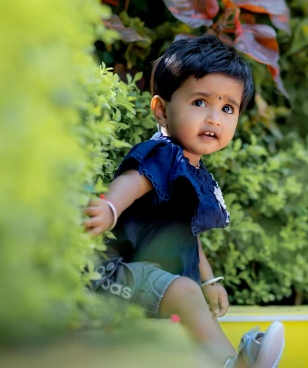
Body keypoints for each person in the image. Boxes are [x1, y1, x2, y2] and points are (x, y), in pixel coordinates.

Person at [83, 35, 285, 368]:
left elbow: (187, 231)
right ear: (162, 110)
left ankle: (233, 361)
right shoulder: (164, 154)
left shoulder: (194, 171)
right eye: (199, 102)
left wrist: (209, 280)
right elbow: (131, 183)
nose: (214, 118)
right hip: (113, 277)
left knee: (191, 295)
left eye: (227, 108)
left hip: (151, 279)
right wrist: (109, 207)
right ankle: (232, 364)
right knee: (186, 294)